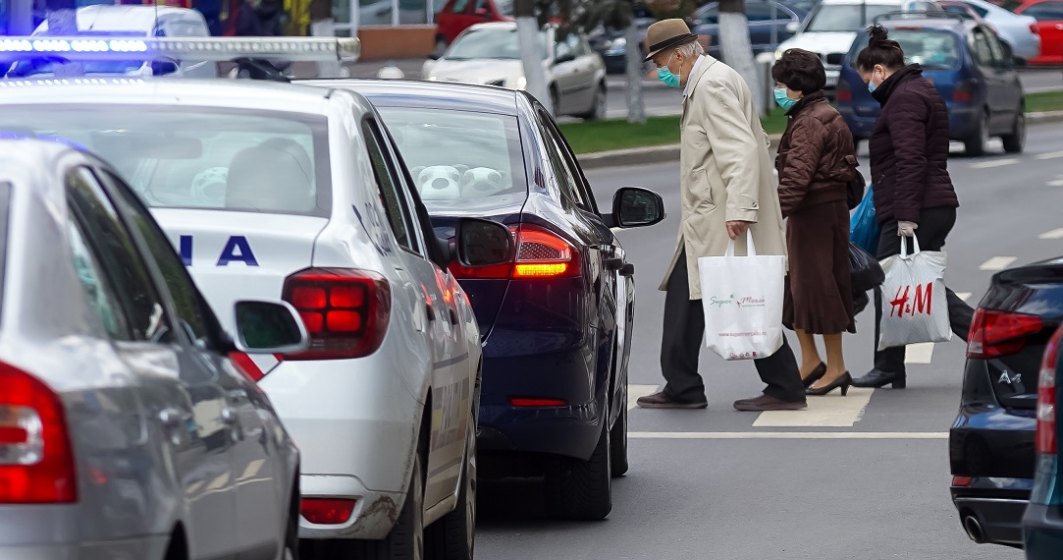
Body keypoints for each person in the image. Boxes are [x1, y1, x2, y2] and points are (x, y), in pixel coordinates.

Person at [635, 19, 807, 412]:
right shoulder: (712, 79)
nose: (659, 69)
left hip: (721, 215)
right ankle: (684, 385)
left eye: (661, 60)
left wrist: (741, 209)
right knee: (694, 295)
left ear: (679, 54)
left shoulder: (710, 85)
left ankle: (781, 385)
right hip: (710, 214)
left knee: (740, 296)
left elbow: (740, 150)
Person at [851, 26, 974, 390]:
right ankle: (890, 365)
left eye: (865, 79)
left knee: (892, 280)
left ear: (878, 71)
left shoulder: (905, 98)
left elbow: (911, 160)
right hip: (928, 204)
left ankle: (992, 336)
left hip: (917, 208)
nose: (866, 87)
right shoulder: (914, 90)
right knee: (910, 281)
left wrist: (905, 215)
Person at [772, 49, 859, 397]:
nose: (778, 90)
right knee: (800, 291)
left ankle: (836, 367)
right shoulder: (822, 113)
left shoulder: (810, 120)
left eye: (780, 84)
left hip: (814, 215)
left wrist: (770, 213)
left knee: (819, 290)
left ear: (796, 86)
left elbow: (797, 176)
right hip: (825, 211)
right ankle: (811, 361)